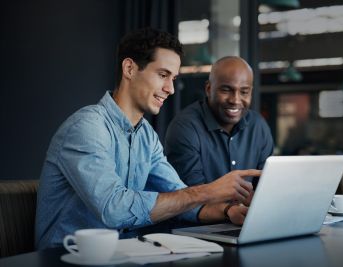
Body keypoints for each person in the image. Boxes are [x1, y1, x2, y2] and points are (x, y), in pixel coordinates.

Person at [35, 28, 260, 250]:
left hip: (123, 254)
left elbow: (182, 199)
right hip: (66, 257)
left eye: (173, 78)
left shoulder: (146, 136)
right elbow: (114, 210)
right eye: (163, 75)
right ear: (130, 68)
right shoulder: (87, 127)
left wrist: (228, 211)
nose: (170, 89)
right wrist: (209, 190)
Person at [165, 56, 274, 222]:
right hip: (194, 232)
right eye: (226, 90)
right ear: (209, 89)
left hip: (246, 223)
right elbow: (192, 196)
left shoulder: (258, 126)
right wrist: (233, 206)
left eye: (244, 92)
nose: (235, 100)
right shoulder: (185, 127)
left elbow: (267, 189)